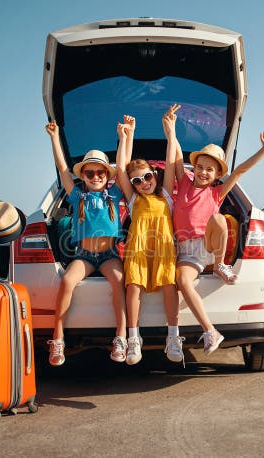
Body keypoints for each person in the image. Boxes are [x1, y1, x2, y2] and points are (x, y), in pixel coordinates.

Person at [167, 104, 264, 355]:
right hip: (185, 251)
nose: (203, 172)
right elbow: (176, 156)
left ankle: (219, 266)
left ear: (216, 175)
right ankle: (210, 331)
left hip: (207, 246)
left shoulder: (217, 193)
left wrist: (263, 151)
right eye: (201, 167)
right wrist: (171, 130)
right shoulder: (183, 183)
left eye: (210, 169)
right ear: (195, 169)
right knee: (181, 281)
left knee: (219, 218)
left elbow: (239, 170)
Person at [45, 121, 127, 366]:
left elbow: (121, 167)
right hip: (84, 256)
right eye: (90, 173)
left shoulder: (114, 194)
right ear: (82, 175)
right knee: (68, 281)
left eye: (100, 173)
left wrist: (123, 137)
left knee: (120, 281)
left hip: (109, 255)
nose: (95, 177)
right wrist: (55, 136)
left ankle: (121, 338)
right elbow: (62, 169)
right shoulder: (77, 196)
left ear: (106, 176)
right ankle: (57, 339)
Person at [113, 113, 182, 364]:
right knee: (133, 287)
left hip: (163, 248)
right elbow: (120, 169)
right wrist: (125, 137)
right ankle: (133, 338)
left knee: (169, 286)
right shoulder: (134, 200)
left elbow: (172, 162)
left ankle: (173, 337)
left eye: (148, 177)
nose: (143, 183)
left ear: (155, 174)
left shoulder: (167, 195)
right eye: (137, 180)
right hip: (138, 249)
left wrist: (171, 131)